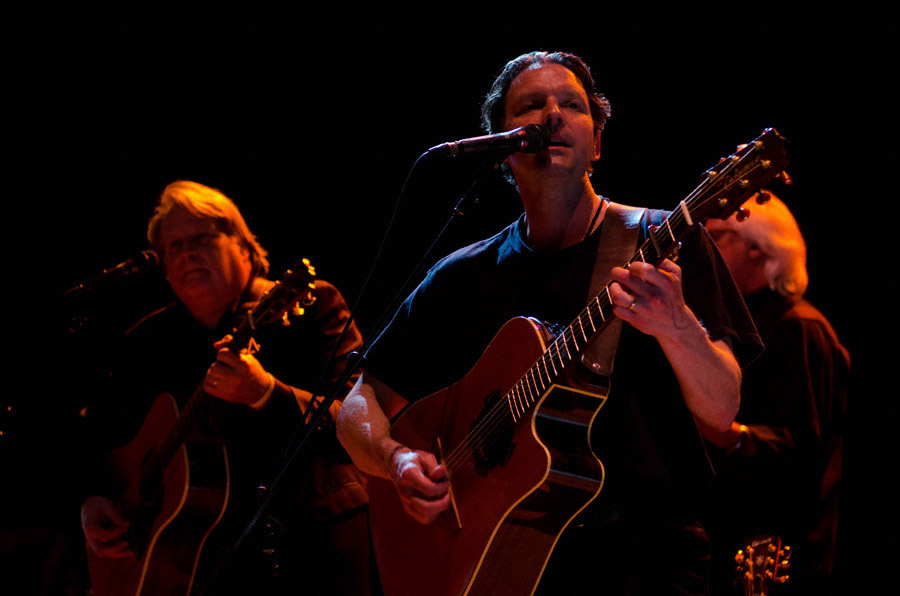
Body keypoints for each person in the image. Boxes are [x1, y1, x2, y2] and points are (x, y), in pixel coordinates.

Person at [336, 51, 761, 595]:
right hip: (493, 563)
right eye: (531, 105)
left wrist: (678, 327)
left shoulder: (664, 243)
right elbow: (356, 402)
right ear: (502, 150)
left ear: (598, 143)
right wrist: (395, 461)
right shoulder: (461, 276)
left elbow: (724, 411)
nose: (551, 115)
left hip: (647, 562)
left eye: (572, 105)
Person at [79, 180, 374, 595]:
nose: (187, 253)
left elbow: (359, 426)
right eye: (174, 247)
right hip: (200, 565)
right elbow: (95, 437)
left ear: (245, 249)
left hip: (312, 549)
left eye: (202, 236)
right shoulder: (148, 342)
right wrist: (93, 498)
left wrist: (267, 393)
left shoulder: (313, 306)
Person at [703, 192, 849, 595]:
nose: (701, 250)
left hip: (770, 558)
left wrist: (720, 430)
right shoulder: (740, 327)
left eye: (716, 238)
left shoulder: (800, 328)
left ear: (757, 248)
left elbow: (801, 451)